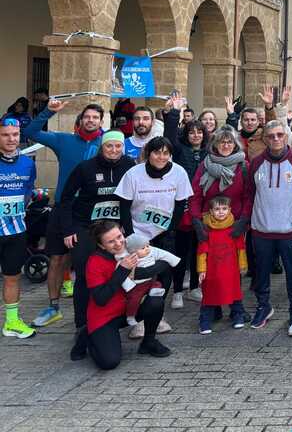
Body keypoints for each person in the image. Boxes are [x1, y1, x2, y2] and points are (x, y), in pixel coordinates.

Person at [23, 98, 106, 328]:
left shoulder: (106, 143)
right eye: (87, 117)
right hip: (63, 208)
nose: (90, 120)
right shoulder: (64, 140)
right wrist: (47, 112)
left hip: (91, 211)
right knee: (57, 258)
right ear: (80, 120)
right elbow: (30, 132)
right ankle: (53, 307)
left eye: (95, 117)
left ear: (101, 122)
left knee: (90, 260)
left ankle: (94, 308)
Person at [57, 129, 136, 358]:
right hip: (86, 227)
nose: (113, 150)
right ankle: (82, 325)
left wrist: (128, 229)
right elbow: (65, 199)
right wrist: (68, 229)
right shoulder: (85, 168)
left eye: (118, 146)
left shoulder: (129, 165)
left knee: (118, 272)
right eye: (109, 146)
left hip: (114, 229)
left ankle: (114, 318)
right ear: (102, 147)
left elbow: (130, 199)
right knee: (84, 276)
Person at [115, 135, 192, 337]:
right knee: (140, 275)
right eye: (157, 152)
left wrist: (171, 230)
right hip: (138, 232)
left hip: (163, 232)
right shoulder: (134, 174)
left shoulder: (179, 173)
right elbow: (124, 206)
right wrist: (131, 235)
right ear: (149, 154)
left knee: (164, 272)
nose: (161, 157)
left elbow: (180, 205)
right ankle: (138, 318)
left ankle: (157, 314)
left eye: (166, 153)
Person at [82, 220, 170, 369]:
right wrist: (122, 270)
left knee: (155, 301)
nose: (118, 243)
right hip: (105, 316)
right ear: (101, 245)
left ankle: (148, 342)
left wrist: (141, 272)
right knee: (109, 362)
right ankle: (88, 336)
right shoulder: (94, 262)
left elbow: (164, 262)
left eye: (119, 237)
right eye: (111, 242)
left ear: (123, 232)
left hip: (130, 309)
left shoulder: (133, 246)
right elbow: (100, 299)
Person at [245, 119, 292, 331]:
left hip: (290, 231)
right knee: (261, 273)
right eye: (271, 136)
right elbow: (250, 194)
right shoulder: (256, 163)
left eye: (280, 135)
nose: (276, 139)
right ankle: (263, 306)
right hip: (261, 230)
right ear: (265, 139)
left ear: (286, 136)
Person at [162, 95, 209, 309]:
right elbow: (169, 137)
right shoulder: (180, 150)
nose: (196, 135)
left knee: (199, 248)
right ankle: (178, 291)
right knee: (180, 249)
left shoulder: (209, 153)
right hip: (183, 207)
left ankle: (195, 287)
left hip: (203, 207)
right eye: (192, 132)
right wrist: (174, 113)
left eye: (199, 132)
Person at [0, 117, 36, 339]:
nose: (11, 139)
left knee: (12, 276)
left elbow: (28, 191)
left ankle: (12, 322)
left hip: (15, 230)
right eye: (5, 135)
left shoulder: (28, 163)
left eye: (15, 134)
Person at [196, 196, 249, 333]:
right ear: (211, 211)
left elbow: (241, 249)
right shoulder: (206, 230)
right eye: (217, 209)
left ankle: (238, 316)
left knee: (234, 294)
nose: (221, 212)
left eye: (224, 209)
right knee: (210, 296)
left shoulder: (234, 229)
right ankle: (204, 321)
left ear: (229, 210)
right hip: (212, 271)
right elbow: (202, 252)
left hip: (231, 270)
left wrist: (243, 266)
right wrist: (201, 270)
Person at [117, 233, 180, 327]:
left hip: (151, 280)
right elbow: (122, 274)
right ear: (133, 251)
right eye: (143, 248)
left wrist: (174, 260)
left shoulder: (151, 251)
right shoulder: (128, 259)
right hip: (137, 285)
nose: (147, 249)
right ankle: (130, 316)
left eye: (147, 246)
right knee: (134, 300)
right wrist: (128, 286)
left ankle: (153, 292)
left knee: (158, 284)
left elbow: (163, 254)